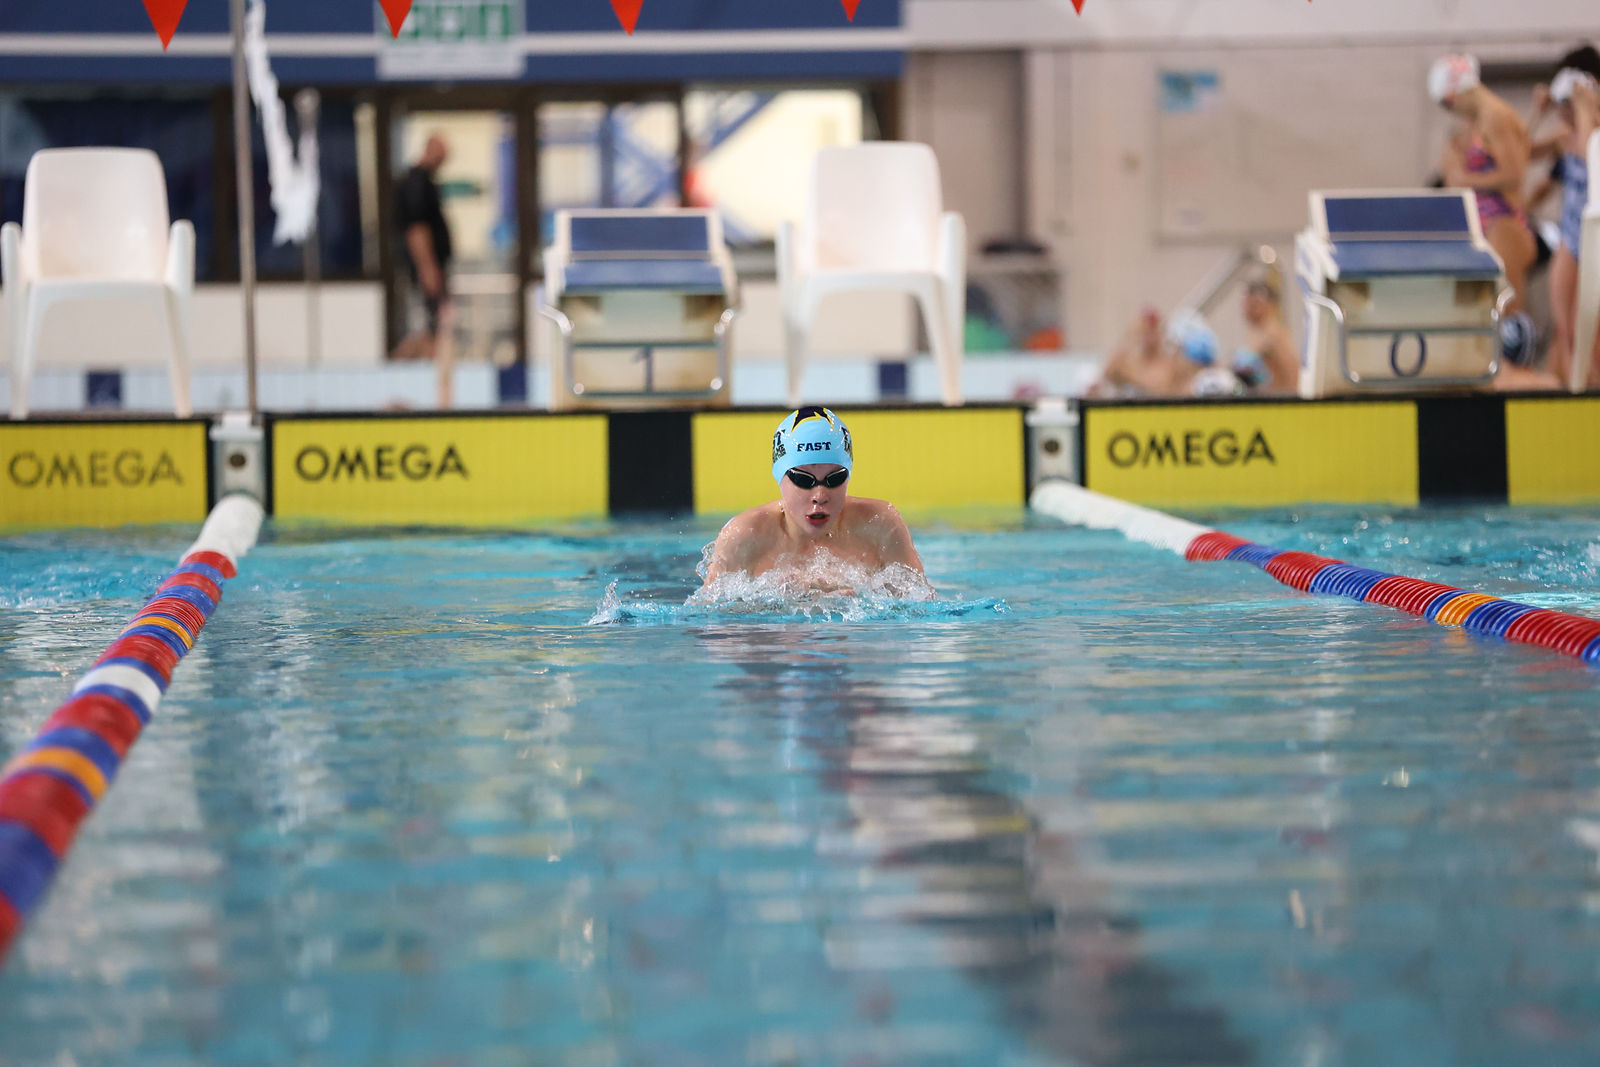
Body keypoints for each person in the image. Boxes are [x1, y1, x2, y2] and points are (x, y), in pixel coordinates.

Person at [700, 407, 925, 588]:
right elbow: (713, 621)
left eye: (834, 479)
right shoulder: (744, 536)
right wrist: (782, 603)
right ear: (780, 477)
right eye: (804, 480)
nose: (819, 496)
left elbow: (922, 603)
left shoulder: (881, 525)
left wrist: (858, 595)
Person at [1430, 53, 1548, 380]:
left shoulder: (1495, 116)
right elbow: (1519, 148)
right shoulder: (1482, 121)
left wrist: (1468, 180)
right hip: (1490, 227)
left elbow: (1514, 172)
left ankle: (1516, 381)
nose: (1450, 111)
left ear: (1458, 91)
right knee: (1489, 315)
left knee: (1508, 317)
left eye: (1448, 103)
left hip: (1505, 227)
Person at [1538, 67, 1599, 386]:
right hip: (1571, 236)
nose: (1566, 114)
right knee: (1567, 331)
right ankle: (1574, 389)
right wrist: (1538, 112)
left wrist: (1587, 109)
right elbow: (1525, 150)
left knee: (1589, 330)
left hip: (1596, 237)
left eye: (1569, 106)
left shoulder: (1596, 136)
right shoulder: (1564, 138)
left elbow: (1592, 154)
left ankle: (1590, 387)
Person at [391, 134, 455, 404]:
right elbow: (417, 231)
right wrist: (428, 269)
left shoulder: (423, 181)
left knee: (432, 327)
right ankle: (418, 381)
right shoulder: (417, 183)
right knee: (428, 330)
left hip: (430, 268)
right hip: (425, 270)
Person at [1231, 267, 1299, 395]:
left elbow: (1293, 371)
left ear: (1266, 305)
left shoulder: (1274, 333)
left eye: (1252, 305)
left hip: (1276, 402)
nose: (1246, 310)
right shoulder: (1257, 332)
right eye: (1245, 305)